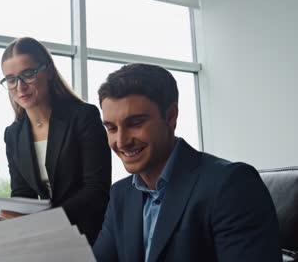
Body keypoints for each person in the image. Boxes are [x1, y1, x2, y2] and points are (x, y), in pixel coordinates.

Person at [92, 63, 281, 261]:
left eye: (135, 123)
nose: (121, 141)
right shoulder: (121, 194)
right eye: (112, 128)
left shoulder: (231, 185)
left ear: (171, 116)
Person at [0, 37, 111, 245]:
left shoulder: (83, 116)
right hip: (47, 240)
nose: (20, 86)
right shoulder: (13, 134)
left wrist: (44, 221)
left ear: (49, 72)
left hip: (92, 233)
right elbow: (23, 196)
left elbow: (96, 190)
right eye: (11, 79)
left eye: (28, 74)